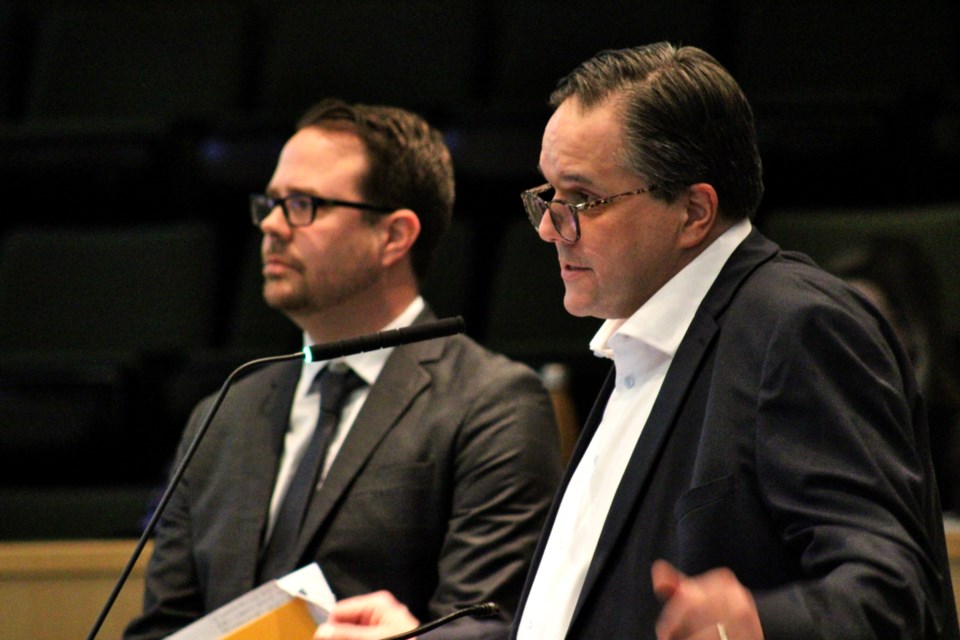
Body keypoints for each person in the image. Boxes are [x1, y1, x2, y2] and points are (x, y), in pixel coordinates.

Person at [313, 43, 959, 640]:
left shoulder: (795, 326)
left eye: (583, 199)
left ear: (694, 211)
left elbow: (898, 594)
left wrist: (757, 624)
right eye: (549, 195)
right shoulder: (638, 345)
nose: (549, 229)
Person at [124, 99, 562, 639]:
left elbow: (488, 626)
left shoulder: (493, 403)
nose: (273, 227)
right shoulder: (220, 415)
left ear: (394, 236)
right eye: (271, 203)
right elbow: (163, 628)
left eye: (304, 204)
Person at [829, 237, 960, 515]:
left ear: (912, 335)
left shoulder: (947, 434)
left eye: (863, 324)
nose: (842, 345)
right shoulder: (802, 422)